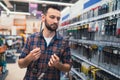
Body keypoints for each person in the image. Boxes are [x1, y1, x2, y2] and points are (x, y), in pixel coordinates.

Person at [18, 5, 72, 80]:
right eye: (52, 17)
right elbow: (20, 64)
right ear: (43, 18)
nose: (56, 21)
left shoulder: (63, 42)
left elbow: (68, 67)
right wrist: (29, 57)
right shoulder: (32, 38)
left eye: (58, 18)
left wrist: (58, 65)